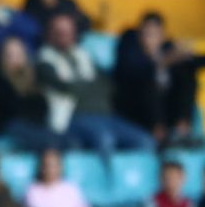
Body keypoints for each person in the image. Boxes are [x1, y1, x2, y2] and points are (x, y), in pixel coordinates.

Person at [38, 13, 155, 154]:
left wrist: (82, 85)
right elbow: (68, 87)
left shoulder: (83, 55)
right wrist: (89, 85)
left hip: (106, 115)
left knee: (145, 141)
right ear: (49, 34)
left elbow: (107, 85)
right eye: (59, 32)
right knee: (105, 140)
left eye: (68, 32)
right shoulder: (44, 60)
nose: (64, 36)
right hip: (73, 117)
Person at [112, 11, 205, 145]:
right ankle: (159, 135)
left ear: (162, 35)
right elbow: (132, 74)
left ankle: (182, 130)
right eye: (147, 34)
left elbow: (194, 61)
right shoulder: (130, 49)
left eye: (155, 34)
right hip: (137, 112)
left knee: (186, 73)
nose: (150, 39)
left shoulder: (168, 48)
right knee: (149, 81)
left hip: (167, 111)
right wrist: (162, 62)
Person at [0, 36, 54, 150]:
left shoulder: (34, 78)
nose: (14, 59)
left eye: (18, 55)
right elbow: (10, 110)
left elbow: (43, 107)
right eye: (10, 55)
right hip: (7, 127)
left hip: (33, 126)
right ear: (2, 57)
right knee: (46, 141)